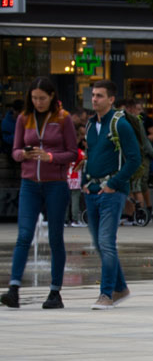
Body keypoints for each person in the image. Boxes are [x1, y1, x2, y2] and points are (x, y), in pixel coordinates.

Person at [0, 77, 77, 310]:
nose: (38, 102)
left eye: (42, 98)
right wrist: (22, 154)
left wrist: (51, 157)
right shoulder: (24, 118)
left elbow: (73, 153)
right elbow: (14, 150)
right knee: (24, 235)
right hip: (29, 184)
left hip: (55, 184)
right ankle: (13, 289)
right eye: (34, 98)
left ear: (52, 96)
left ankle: (55, 291)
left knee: (55, 238)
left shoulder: (63, 119)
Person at [82, 79, 140, 309]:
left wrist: (114, 183)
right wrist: (85, 181)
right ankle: (121, 288)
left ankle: (106, 294)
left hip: (112, 191)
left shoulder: (120, 124)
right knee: (99, 243)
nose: (95, 99)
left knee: (106, 242)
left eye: (100, 95)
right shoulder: (90, 125)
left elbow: (134, 159)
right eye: (93, 95)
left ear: (111, 99)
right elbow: (90, 155)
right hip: (92, 190)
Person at [121, 98, 153, 224]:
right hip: (131, 158)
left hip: (135, 158)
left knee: (136, 187)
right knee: (131, 188)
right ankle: (133, 215)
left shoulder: (136, 121)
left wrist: (152, 154)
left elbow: (145, 140)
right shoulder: (128, 121)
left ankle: (139, 214)